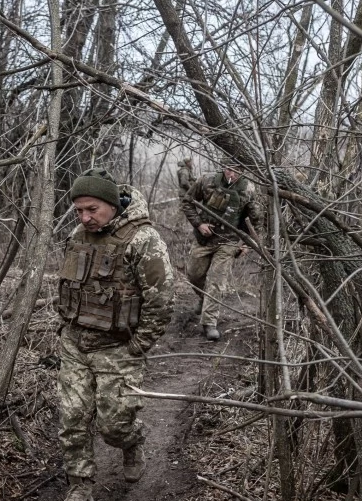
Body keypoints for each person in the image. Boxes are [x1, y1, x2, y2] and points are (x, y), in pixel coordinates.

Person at [56, 168, 174, 501]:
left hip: (117, 348)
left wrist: (139, 345)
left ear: (111, 203)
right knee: (72, 419)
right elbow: (67, 284)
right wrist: (64, 323)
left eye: (92, 209)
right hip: (75, 342)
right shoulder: (77, 235)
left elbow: (162, 298)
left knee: (114, 425)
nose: (85, 217)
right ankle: (80, 485)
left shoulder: (142, 238)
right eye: (79, 210)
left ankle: (132, 442)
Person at [180, 161, 259, 341]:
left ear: (243, 171)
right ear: (223, 167)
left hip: (228, 241)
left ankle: (209, 323)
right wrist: (199, 224)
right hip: (205, 238)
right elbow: (187, 203)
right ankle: (203, 298)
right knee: (194, 275)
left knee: (216, 281)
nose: (232, 174)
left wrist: (246, 243)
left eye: (237, 170)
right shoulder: (207, 181)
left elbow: (254, 220)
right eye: (229, 169)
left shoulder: (248, 189)